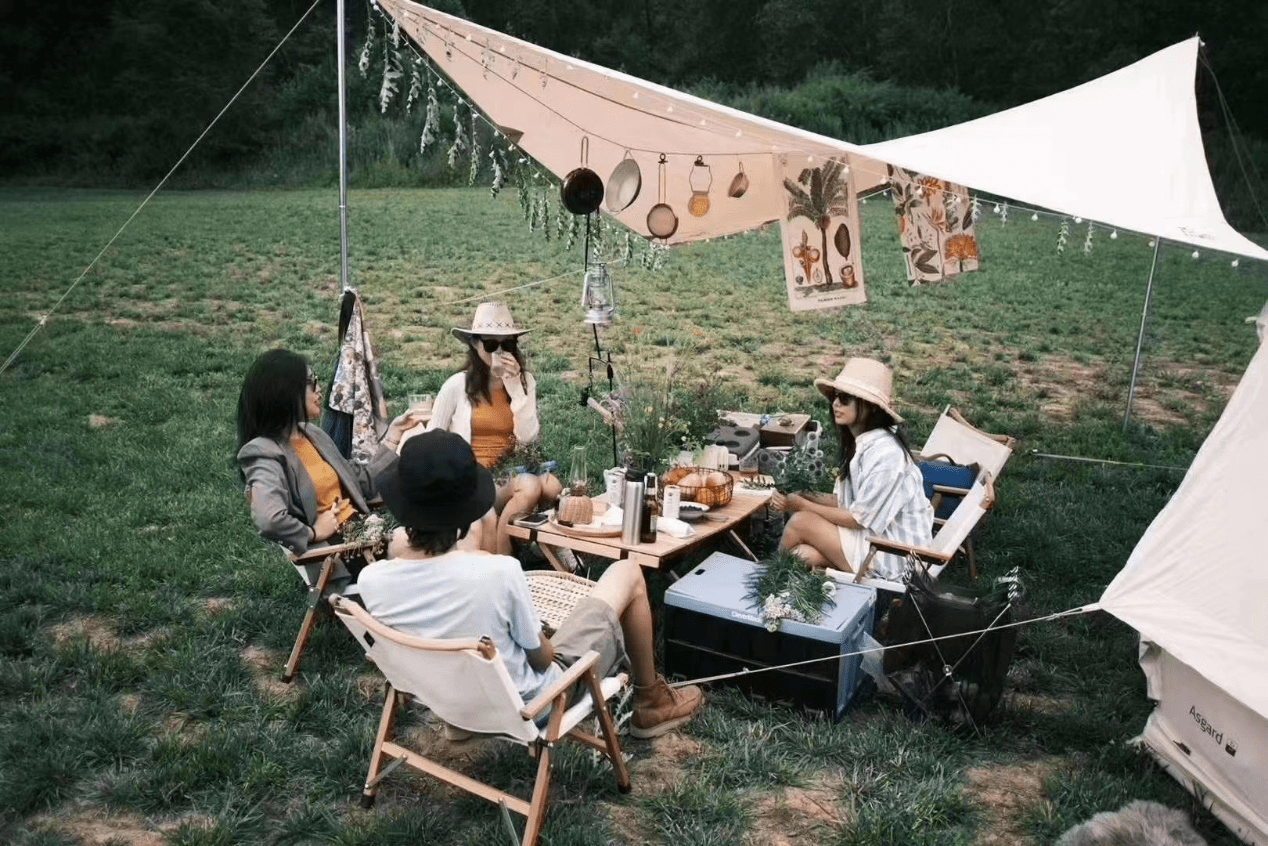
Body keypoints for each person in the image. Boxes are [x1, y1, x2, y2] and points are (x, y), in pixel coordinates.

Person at [359, 430, 705, 740]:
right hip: (535, 704)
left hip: (446, 699)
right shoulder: (498, 573)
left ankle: (462, 723)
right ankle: (650, 702)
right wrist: (537, 633)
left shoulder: (372, 581)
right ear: (467, 511)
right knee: (627, 572)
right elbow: (543, 661)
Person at [235, 348, 424, 556]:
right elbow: (269, 518)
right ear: (285, 391)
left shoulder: (312, 434)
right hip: (339, 553)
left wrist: (393, 436)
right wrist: (313, 533)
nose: (319, 388)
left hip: (364, 533)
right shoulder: (263, 451)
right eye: (311, 381)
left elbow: (363, 485)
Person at [771, 357, 933, 581]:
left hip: (894, 553)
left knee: (801, 521)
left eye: (845, 398)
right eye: (835, 397)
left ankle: (767, 579)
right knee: (802, 555)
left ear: (870, 407)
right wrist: (805, 495)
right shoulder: (865, 445)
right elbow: (846, 502)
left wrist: (802, 505)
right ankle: (773, 585)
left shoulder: (887, 454)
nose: (836, 404)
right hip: (873, 538)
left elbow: (858, 518)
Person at [427, 302, 562, 554]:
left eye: (507, 345)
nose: (499, 351)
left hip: (507, 471)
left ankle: (505, 547)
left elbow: (528, 438)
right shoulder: (457, 385)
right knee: (535, 486)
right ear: (475, 344)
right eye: (491, 344)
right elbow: (432, 439)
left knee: (548, 486)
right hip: (471, 476)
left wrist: (515, 389)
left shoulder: (524, 382)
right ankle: (514, 554)